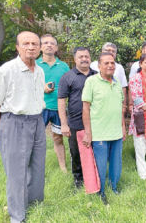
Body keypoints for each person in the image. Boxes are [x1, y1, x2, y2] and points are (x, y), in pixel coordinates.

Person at [0, 31, 46, 223]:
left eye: (35, 44)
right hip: (14, 123)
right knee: (16, 172)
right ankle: (17, 217)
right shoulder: (6, 71)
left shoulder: (40, 71)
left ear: (40, 48)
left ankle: (34, 205)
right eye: (26, 43)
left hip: (37, 121)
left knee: (37, 166)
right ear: (17, 47)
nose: (31, 47)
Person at [82, 52, 126, 203]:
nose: (110, 65)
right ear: (99, 66)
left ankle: (113, 187)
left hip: (116, 132)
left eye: (112, 63)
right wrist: (88, 132)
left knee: (116, 164)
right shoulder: (91, 82)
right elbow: (85, 108)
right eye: (106, 63)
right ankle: (100, 192)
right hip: (99, 132)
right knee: (100, 166)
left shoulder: (117, 82)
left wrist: (123, 128)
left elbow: (121, 107)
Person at [58, 47, 97, 188]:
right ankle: (79, 180)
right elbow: (61, 100)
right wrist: (64, 124)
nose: (84, 59)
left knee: (95, 150)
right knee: (76, 152)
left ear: (90, 58)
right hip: (75, 121)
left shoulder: (97, 75)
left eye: (86, 56)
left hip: (96, 121)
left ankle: (95, 177)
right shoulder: (67, 77)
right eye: (80, 57)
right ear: (75, 59)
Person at [36, 34, 70, 172]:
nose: (49, 45)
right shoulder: (35, 64)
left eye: (52, 43)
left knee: (58, 138)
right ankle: (35, 168)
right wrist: (41, 88)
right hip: (39, 108)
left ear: (56, 48)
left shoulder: (63, 66)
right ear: (40, 47)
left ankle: (63, 168)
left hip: (58, 108)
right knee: (36, 140)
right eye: (45, 43)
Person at [90, 42, 128, 112]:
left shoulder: (119, 67)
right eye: (108, 50)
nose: (111, 53)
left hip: (115, 104)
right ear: (102, 51)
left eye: (113, 51)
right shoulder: (93, 65)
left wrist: (124, 105)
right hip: (98, 104)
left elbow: (123, 87)